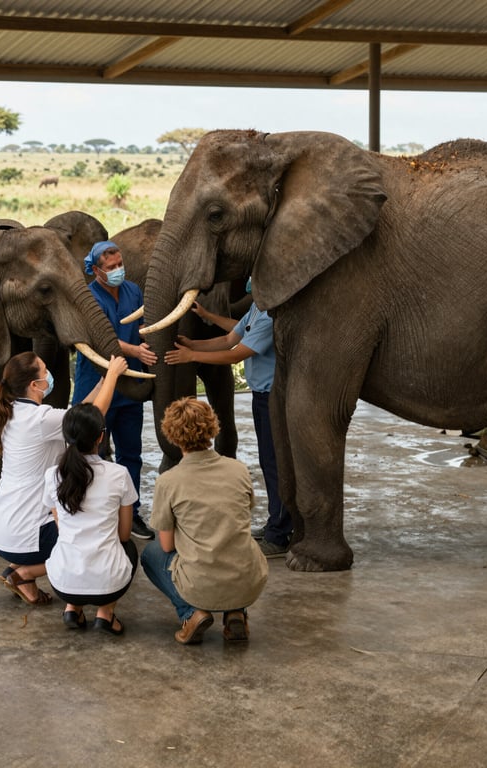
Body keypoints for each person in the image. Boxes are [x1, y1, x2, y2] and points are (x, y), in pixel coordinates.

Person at [0, 350, 128, 605]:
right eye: (44, 371)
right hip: (24, 535)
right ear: (35, 385)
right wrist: (114, 377)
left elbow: (76, 414)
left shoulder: (14, 411)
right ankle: (23, 573)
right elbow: (90, 419)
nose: (49, 374)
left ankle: (20, 575)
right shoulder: (40, 419)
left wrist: (100, 383)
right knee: (90, 533)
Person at [163, 286, 293, 558]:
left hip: (273, 396)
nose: (249, 284)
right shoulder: (258, 307)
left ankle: (280, 534)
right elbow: (231, 336)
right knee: (268, 460)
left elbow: (235, 353)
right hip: (261, 394)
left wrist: (193, 356)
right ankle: (276, 523)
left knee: (275, 462)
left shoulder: (271, 313)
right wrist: (195, 341)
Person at [141, 398, 268, 644]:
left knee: (151, 554)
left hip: (200, 584)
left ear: (172, 435)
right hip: (248, 578)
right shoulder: (238, 469)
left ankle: (191, 613)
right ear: (212, 428)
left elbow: (167, 546)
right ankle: (236, 612)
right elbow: (242, 514)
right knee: (233, 538)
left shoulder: (168, 481)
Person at [72, 240, 157, 540]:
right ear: (96, 271)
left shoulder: (133, 290)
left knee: (131, 453)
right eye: (111, 268)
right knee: (92, 452)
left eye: (120, 264)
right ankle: (90, 513)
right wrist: (136, 351)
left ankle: (130, 515)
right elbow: (100, 337)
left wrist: (146, 343)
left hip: (130, 385)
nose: (118, 270)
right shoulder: (88, 298)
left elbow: (143, 324)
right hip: (96, 383)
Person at [42, 403, 139, 635]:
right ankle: (105, 613)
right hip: (108, 585)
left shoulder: (53, 475)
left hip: (62, 582)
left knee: (66, 539)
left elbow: (59, 523)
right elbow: (124, 534)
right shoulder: (119, 474)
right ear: (101, 437)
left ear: (65, 437)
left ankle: (72, 608)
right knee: (130, 548)